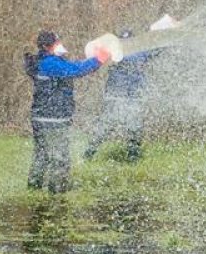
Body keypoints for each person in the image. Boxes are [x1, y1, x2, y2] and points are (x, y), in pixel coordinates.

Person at [24, 30, 112, 193]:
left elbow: (72, 66)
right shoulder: (50, 63)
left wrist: (92, 60)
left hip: (41, 118)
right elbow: (75, 69)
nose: (60, 44)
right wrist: (98, 59)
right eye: (56, 43)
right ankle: (57, 190)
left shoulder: (44, 62)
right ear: (47, 46)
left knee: (42, 155)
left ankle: (34, 188)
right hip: (53, 120)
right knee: (60, 157)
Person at [84, 31, 160, 162]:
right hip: (121, 95)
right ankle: (130, 155)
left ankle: (91, 152)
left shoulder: (117, 52)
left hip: (127, 95)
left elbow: (157, 48)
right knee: (124, 125)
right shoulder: (131, 52)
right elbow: (157, 48)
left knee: (113, 125)